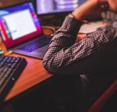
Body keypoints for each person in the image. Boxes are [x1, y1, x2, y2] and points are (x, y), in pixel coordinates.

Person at [43, 0, 117, 111]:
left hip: (88, 98)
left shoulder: (107, 38)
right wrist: (89, 39)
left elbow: (51, 61)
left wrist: (76, 15)